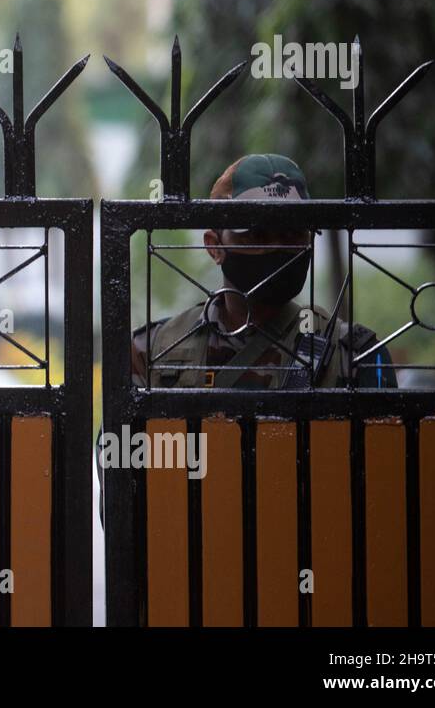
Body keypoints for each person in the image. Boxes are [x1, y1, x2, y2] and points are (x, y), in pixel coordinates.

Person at [98, 154, 396, 527]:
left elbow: (385, 499)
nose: (279, 248)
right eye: (256, 235)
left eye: (292, 234)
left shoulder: (355, 353)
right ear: (214, 245)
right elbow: (124, 498)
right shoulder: (152, 351)